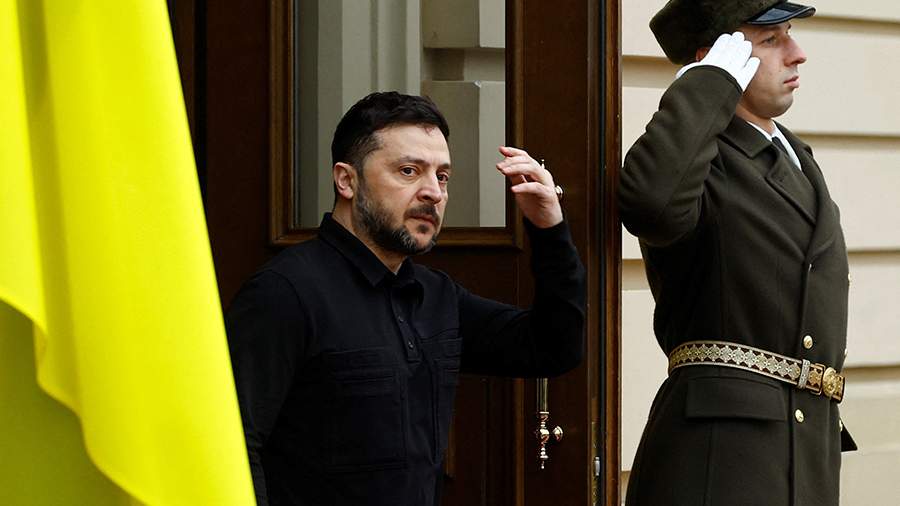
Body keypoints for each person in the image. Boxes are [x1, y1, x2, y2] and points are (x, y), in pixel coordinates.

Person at [225, 91, 585, 505]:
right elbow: (233, 444)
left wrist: (548, 228)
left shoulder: (435, 296)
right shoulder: (284, 292)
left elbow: (552, 348)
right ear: (346, 180)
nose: (433, 192)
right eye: (409, 171)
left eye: (442, 176)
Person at [619, 2, 856, 505]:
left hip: (801, 449)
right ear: (717, 58)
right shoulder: (697, 158)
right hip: (723, 457)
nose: (797, 53)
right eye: (771, 40)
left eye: (789, 33)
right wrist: (707, 85)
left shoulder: (793, 155)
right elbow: (652, 206)